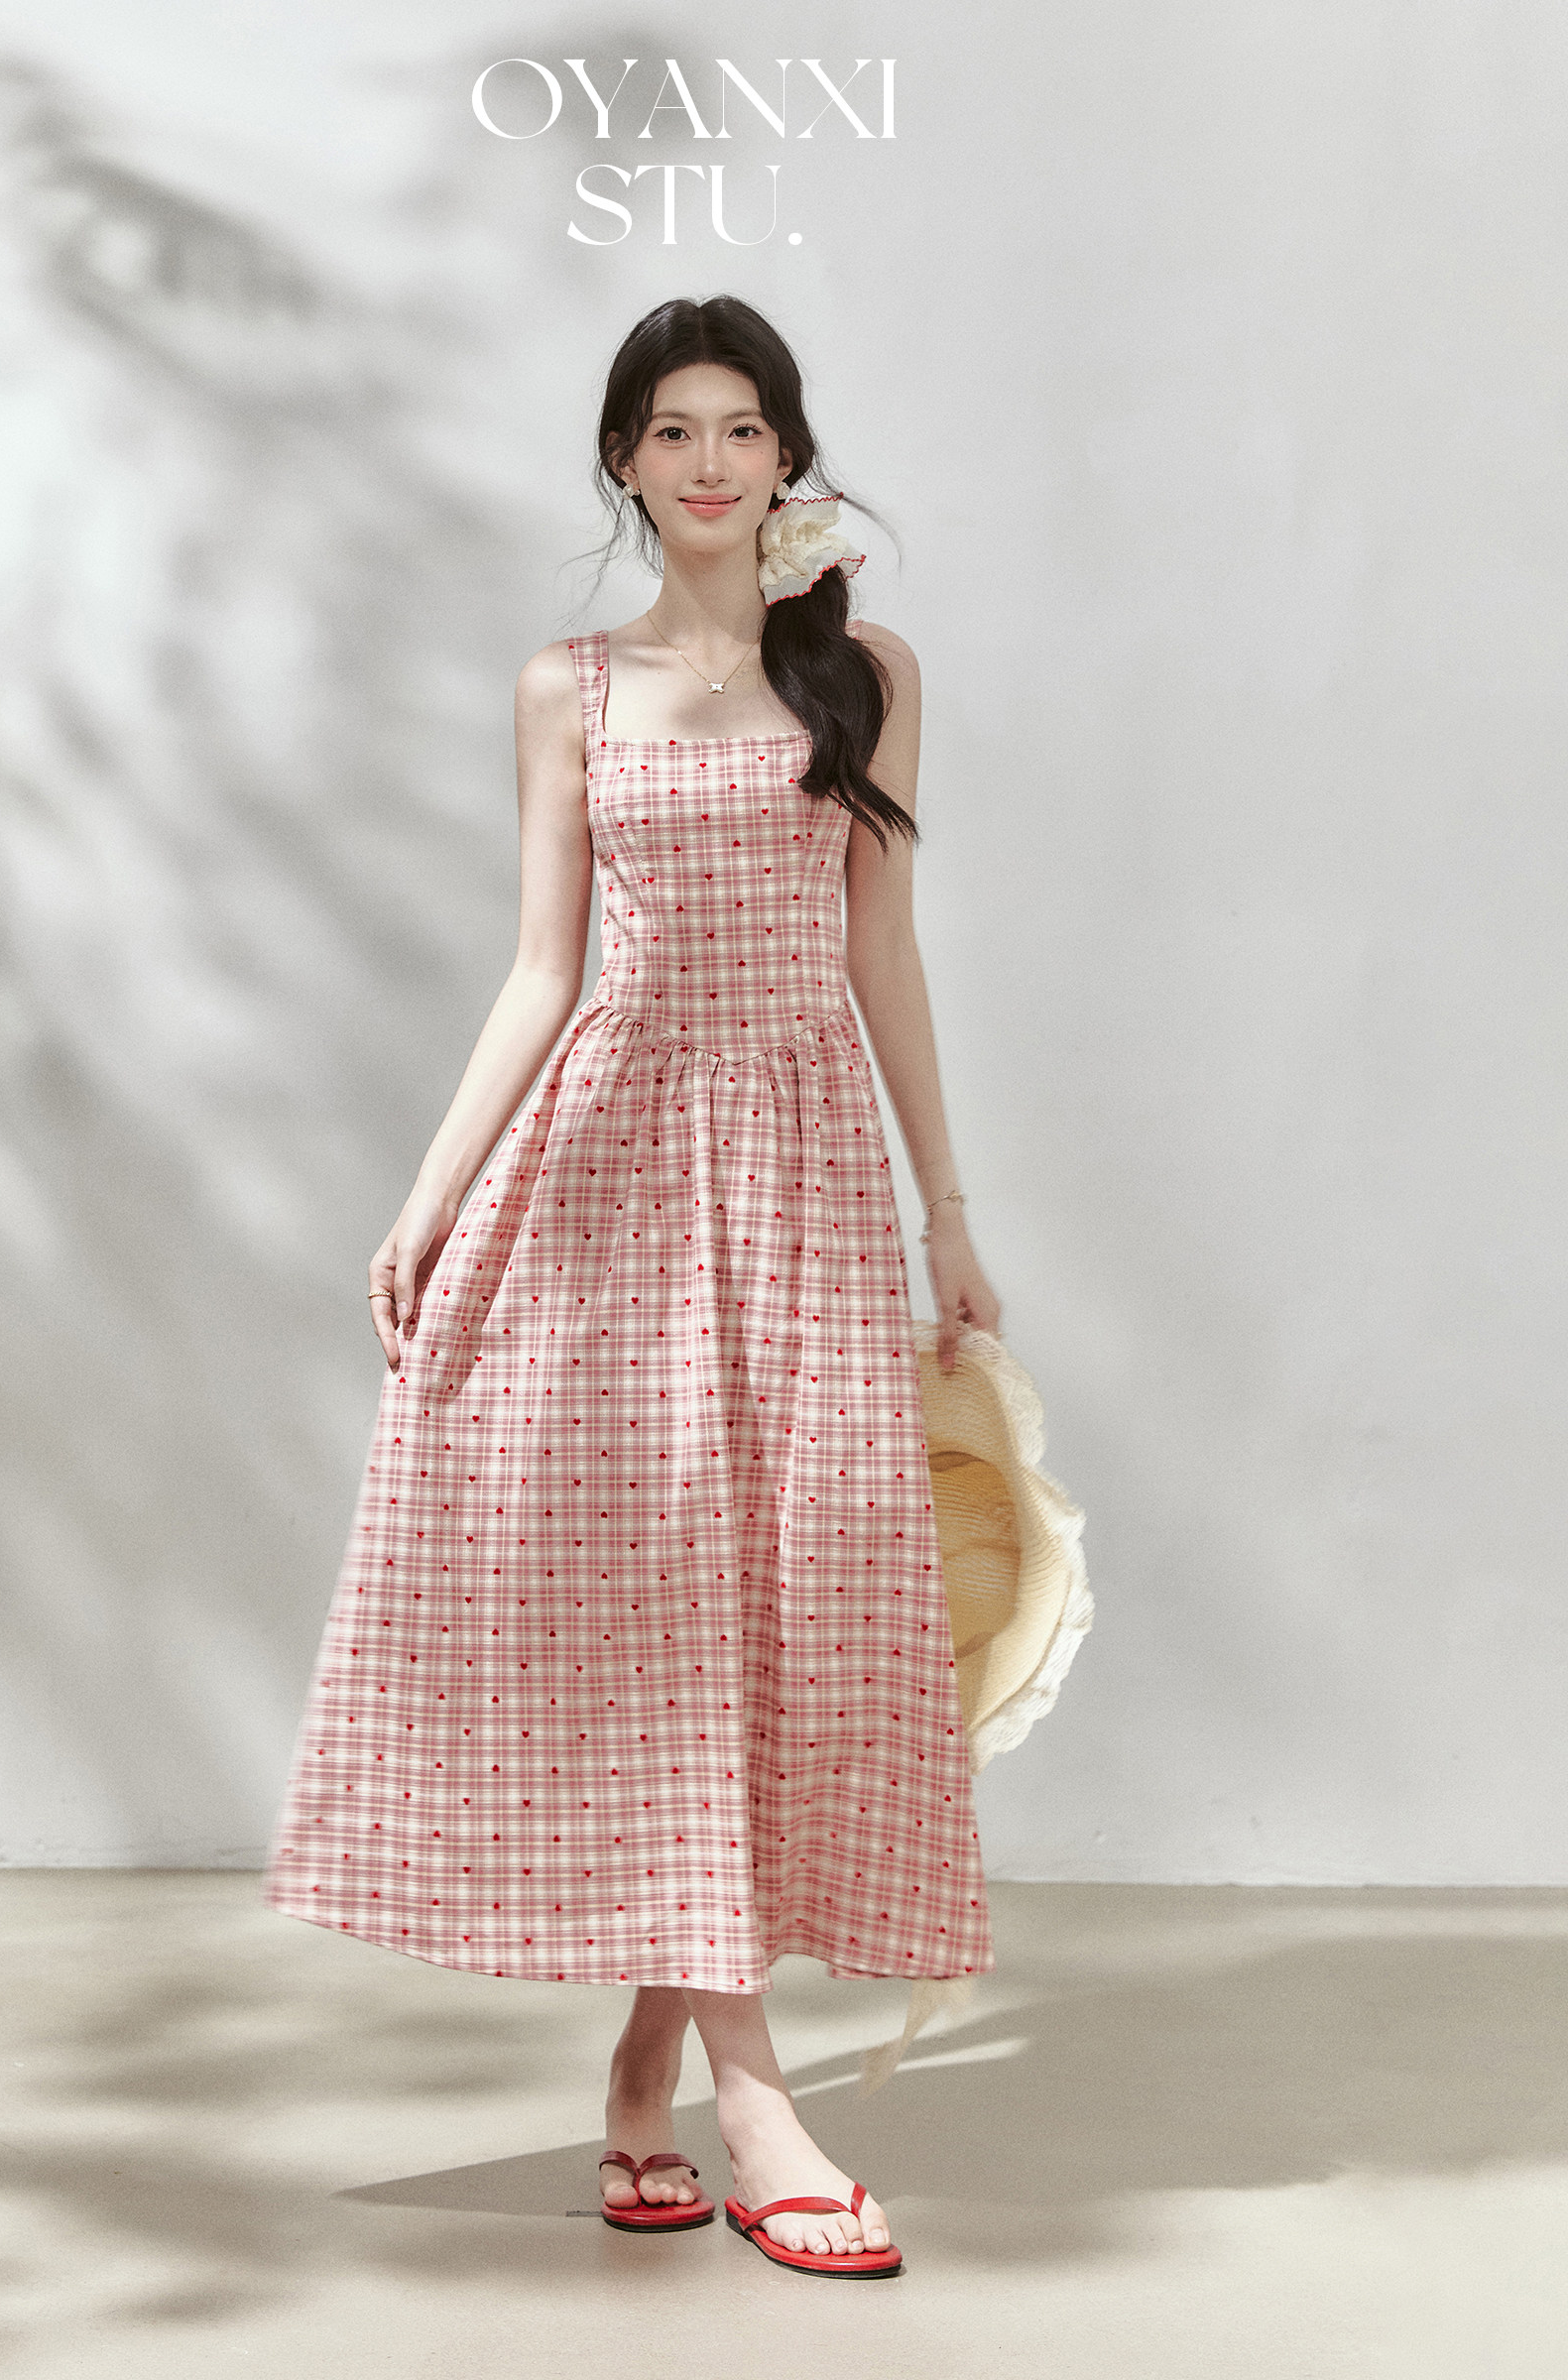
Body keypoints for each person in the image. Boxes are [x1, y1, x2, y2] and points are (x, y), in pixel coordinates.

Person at [266, 294, 1003, 2277]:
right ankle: (757, 2105)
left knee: (770, 1600)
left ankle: (640, 2078)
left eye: (741, 427)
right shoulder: (565, 688)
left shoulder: (866, 677)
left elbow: (884, 953)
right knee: (668, 1595)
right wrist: (431, 1199)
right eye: (671, 429)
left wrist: (946, 1212)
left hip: (803, 1170)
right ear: (622, 460)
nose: (707, 461)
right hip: (611, 1169)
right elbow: (544, 970)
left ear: (787, 457)